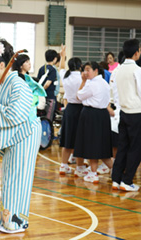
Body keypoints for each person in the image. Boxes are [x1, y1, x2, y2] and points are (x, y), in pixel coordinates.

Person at [0, 39, 41, 233]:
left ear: (1, 65)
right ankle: (7, 220)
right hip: (15, 134)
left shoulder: (18, 84)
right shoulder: (2, 83)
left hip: (25, 133)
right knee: (11, 178)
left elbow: (18, 113)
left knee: (19, 178)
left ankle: (15, 222)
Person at [73, 61, 113, 183]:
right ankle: (114, 169)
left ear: (96, 70)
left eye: (88, 70)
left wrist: (83, 82)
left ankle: (93, 173)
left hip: (91, 115)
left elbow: (78, 96)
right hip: (103, 115)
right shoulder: (105, 83)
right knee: (101, 145)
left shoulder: (91, 84)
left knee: (92, 144)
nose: (85, 73)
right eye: (84, 70)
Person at [111, 39, 141, 192]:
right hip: (136, 113)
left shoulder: (118, 69)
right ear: (137, 53)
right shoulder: (137, 70)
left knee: (123, 146)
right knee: (136, 148)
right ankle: (127, 180)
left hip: (123, 112)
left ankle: (116, 179)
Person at [56, 45, 88, 177]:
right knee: (80, 138)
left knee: (68, 137)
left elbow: (61, 67)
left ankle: (63, 166)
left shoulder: (66, 75)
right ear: (80, 66)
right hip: (81, 109)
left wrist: (62, 55)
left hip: (69, 109)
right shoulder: (83, 77)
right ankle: (79, 167)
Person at [11, 53, 46, 120]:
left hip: (31, 108)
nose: (29, 63)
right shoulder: (17, 78)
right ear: (21, 65)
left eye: (29, 61)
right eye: (26, 62)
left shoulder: (28, 78)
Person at [37, 49, 58, 121]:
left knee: (41, 118)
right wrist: (42, 91)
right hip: (49, 97)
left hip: (41, 98)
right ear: (55, 59)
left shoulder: (41, 68)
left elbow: (38, 81)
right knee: (48, 119)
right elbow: (47, 84)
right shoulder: (53, 69)